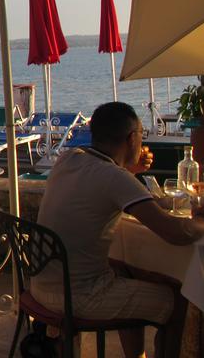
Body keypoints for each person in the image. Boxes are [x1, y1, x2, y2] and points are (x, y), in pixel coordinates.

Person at [33, 102, 204, 358]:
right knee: (177, 300)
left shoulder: (69, 158)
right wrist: (201, 220)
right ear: (132, 138)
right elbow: (176, 233)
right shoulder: (115, 178)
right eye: (142, 134)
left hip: (41, 286)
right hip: (80, 297)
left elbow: (101, 187)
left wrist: (129, 169)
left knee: (127, 272)